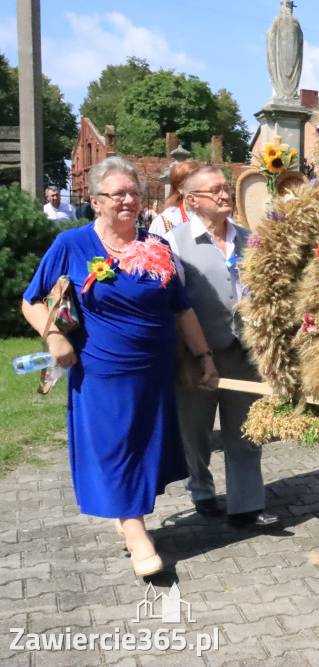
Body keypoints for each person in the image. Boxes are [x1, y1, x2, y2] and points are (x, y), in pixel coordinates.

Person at [21, 157, 217, 578]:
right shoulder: (72, 244)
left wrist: (204, 357)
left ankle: (124, 512)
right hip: (101, 371)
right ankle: (137, 536)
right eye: (118, 194)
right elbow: (31, 299)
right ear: (94, 201)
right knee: (115, 449)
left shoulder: (156, 246)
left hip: (155, 373)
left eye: (134, 193)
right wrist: (54, 336)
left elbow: (181, 309)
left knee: (142, 453)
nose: (129, 200)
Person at [166, 166, 278, 528]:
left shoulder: (249, 240)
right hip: (196, 353)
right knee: (195, 429)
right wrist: (185, 355)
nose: (224, 194)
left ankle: (246, 504)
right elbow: (171, 304)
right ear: (191, 200)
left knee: (246, 430)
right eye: (214, 190)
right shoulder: (173, 243)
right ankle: (200, 490)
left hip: (244, 351)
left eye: (225, 188)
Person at [149, 160, 203, 237]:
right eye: (195, 184)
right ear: (181, 189)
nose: (202, 189)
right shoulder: (166, 222)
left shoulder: (215, 219)